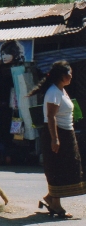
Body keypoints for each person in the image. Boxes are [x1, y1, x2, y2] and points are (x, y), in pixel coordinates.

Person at [29, 60, 84, 218]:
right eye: (70, 74)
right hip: (57, 133)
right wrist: (55, 139)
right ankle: (56, 205)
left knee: (67, 167)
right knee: (57, 168)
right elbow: (51, 117)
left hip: (66, 132)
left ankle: (50, 198)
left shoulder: (61, 91)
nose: (71, 76)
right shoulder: (53, 92)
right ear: (62, 75)